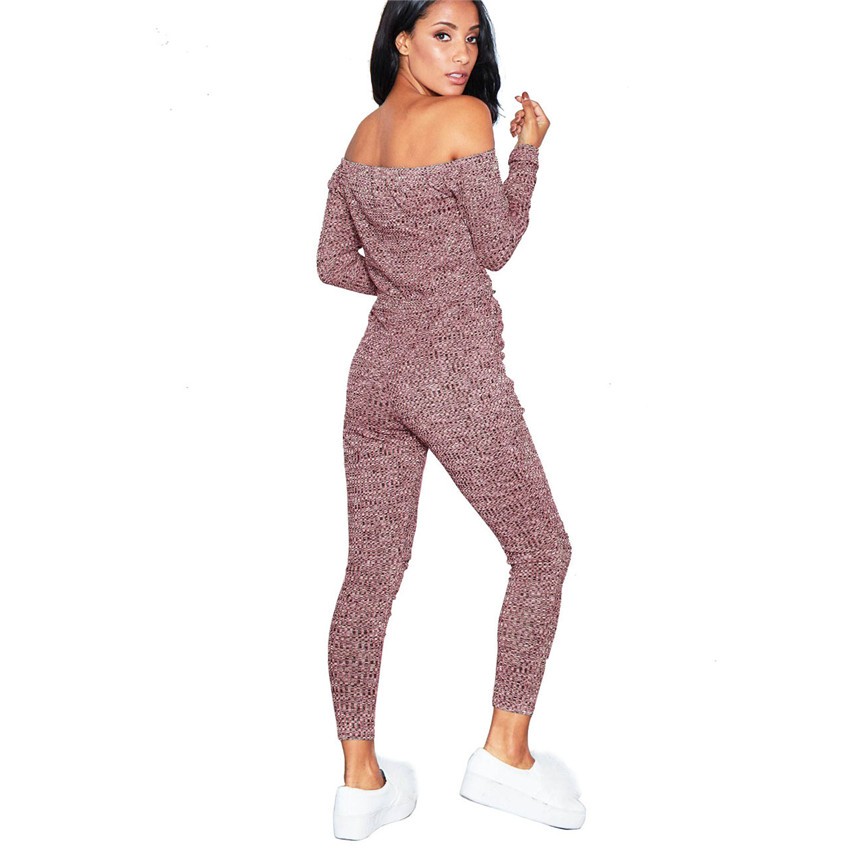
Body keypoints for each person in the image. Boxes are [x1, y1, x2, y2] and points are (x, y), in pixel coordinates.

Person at [315, 1, 584, 838]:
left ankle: (360, 781)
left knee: (370, 575)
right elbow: (498, 244)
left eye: (472, 38)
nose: (462, 54)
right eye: (443, 34)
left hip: (375, 376)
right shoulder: (466, 119)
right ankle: (505, 752)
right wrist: (528, 153)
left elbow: (331, 263)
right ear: (401, 38)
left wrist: (405, 283)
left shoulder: (363, 136)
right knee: (542, 551)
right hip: (453, 372)